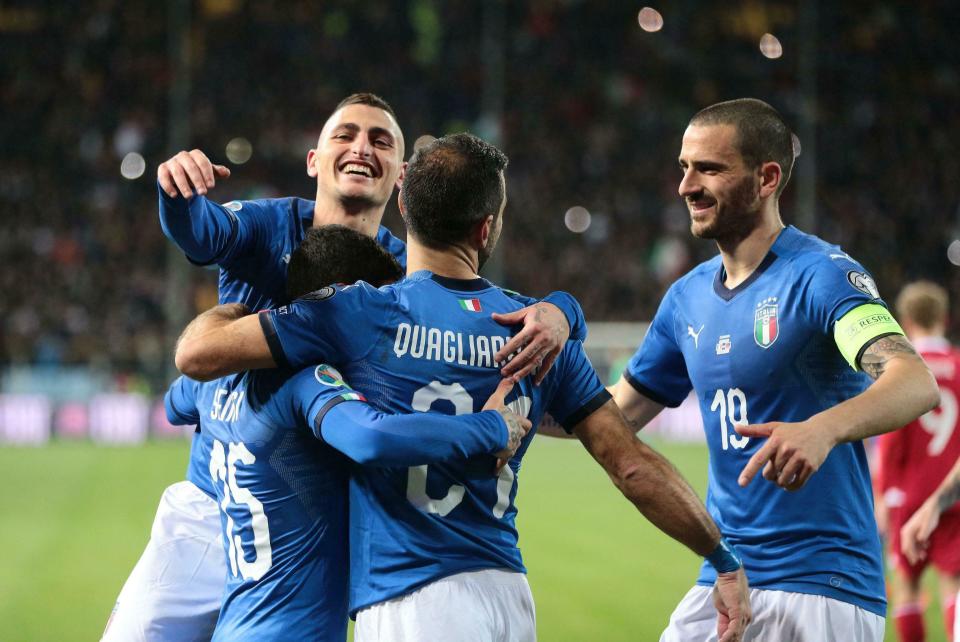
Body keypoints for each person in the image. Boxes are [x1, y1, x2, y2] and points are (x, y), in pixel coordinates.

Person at [175, 132, 752, 642]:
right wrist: (722, 561)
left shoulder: (357, 313)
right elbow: (631, 465)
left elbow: (199, 356)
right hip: (507, 594)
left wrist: (233, 307)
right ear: (487, 226)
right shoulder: (538, 335)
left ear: (402, 206)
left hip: (410, 600)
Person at [104, 93, 583, 641]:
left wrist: (563, 310)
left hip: (319, 523)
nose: (362, 147)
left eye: (381, 140)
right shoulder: (270, 225)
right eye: (346, 134)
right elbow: (201, 231)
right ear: (314, 160)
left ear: (402, 180)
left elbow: (491, 306)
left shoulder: (404, 270)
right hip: (212, 511)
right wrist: (176, 191)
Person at [609, 98, 939, 641]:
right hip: (727, 576)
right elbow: (613, 413)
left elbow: (913, 379)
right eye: (684, 167)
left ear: (767, 178)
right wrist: (522, 390)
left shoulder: (821, 274)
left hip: (823, 583)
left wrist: (822, 428)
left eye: (709, 169)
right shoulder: (686, 297)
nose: (686, 186)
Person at [163, 224, 532, 641]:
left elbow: (173, 405)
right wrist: (489, 427)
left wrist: (229, 313)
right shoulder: (306, 383)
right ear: (341, 301)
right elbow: (370, 438)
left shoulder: (209, 384)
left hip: (234, 627)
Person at [875, 281, 960, 642]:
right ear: (944, 318)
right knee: (954, 584)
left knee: (906, 586)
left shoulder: (902, 369)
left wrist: (881, 497)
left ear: (905, 322)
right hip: (953, 494)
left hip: (908, 495)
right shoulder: (959, 366)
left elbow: (890, 438)